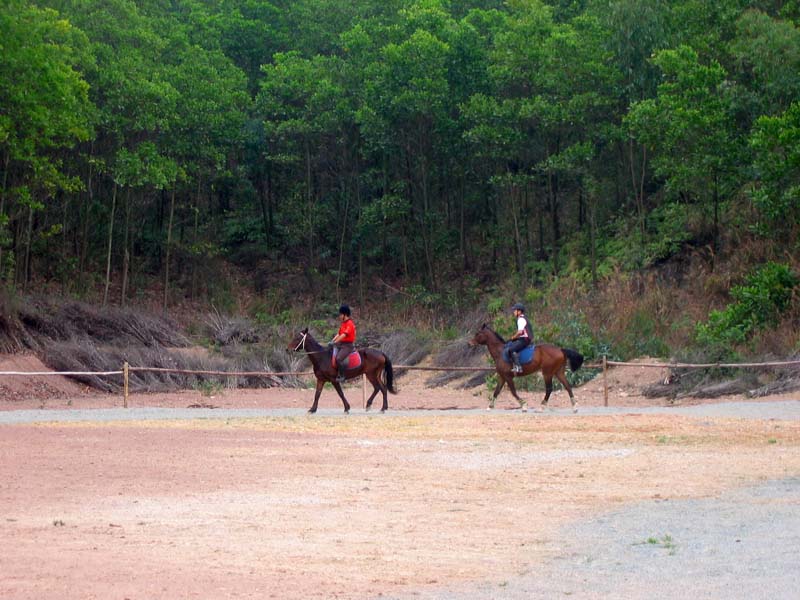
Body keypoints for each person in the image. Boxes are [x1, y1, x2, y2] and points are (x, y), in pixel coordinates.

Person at [330, 304, 356, 382]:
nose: (339, 316)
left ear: (345, 314)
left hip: (348, 346)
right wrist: (332, 341)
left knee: (338, 359)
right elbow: (339, 334)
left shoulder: (350, 324)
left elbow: (344, 335)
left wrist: (335, 342)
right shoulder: (343, 323)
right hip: (341, 344)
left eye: (341, 314)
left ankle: (342, 376)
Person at [507, 303, 532, 373]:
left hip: (525, 340)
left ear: (519, 311)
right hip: (524, 338)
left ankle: (518, 367)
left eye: (515, 310)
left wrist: (513, 337)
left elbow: (520, 332)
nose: (513, 312)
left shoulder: (520, 319)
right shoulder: (522, 318)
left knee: (511, 349)